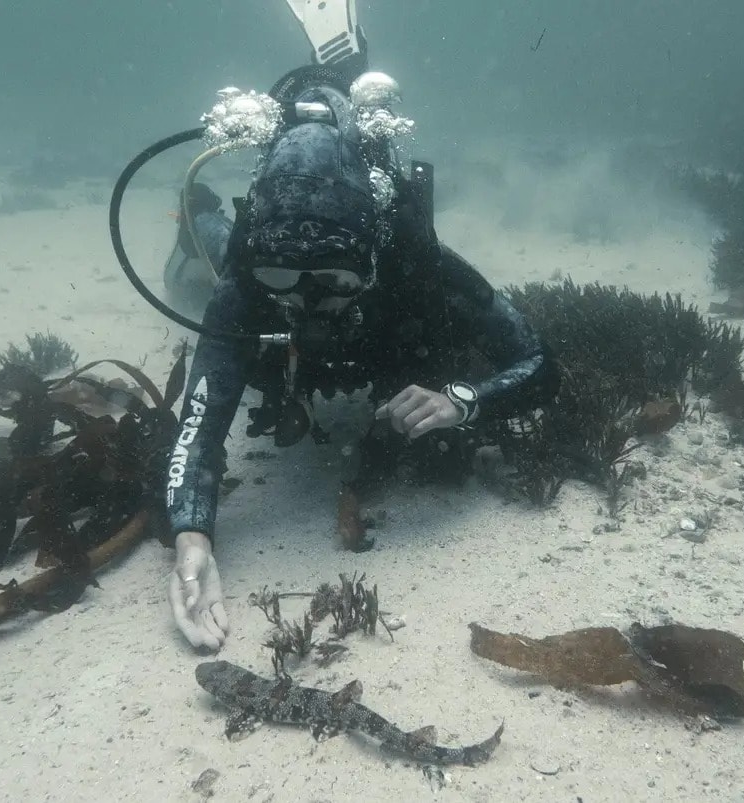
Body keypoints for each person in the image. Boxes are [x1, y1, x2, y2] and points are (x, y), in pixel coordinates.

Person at [162, 4, 559, 651]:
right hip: (239, 256)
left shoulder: (411, 260)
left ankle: (344, 65)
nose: (309, 304)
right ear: (264, 264)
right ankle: (194, 209)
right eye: (286, 282)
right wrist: (192, 537)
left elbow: (541, 365)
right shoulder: (249, 274)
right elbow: (200, 428)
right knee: (202, 245)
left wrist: (464, 402)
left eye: (334, 281)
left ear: (371, 256)